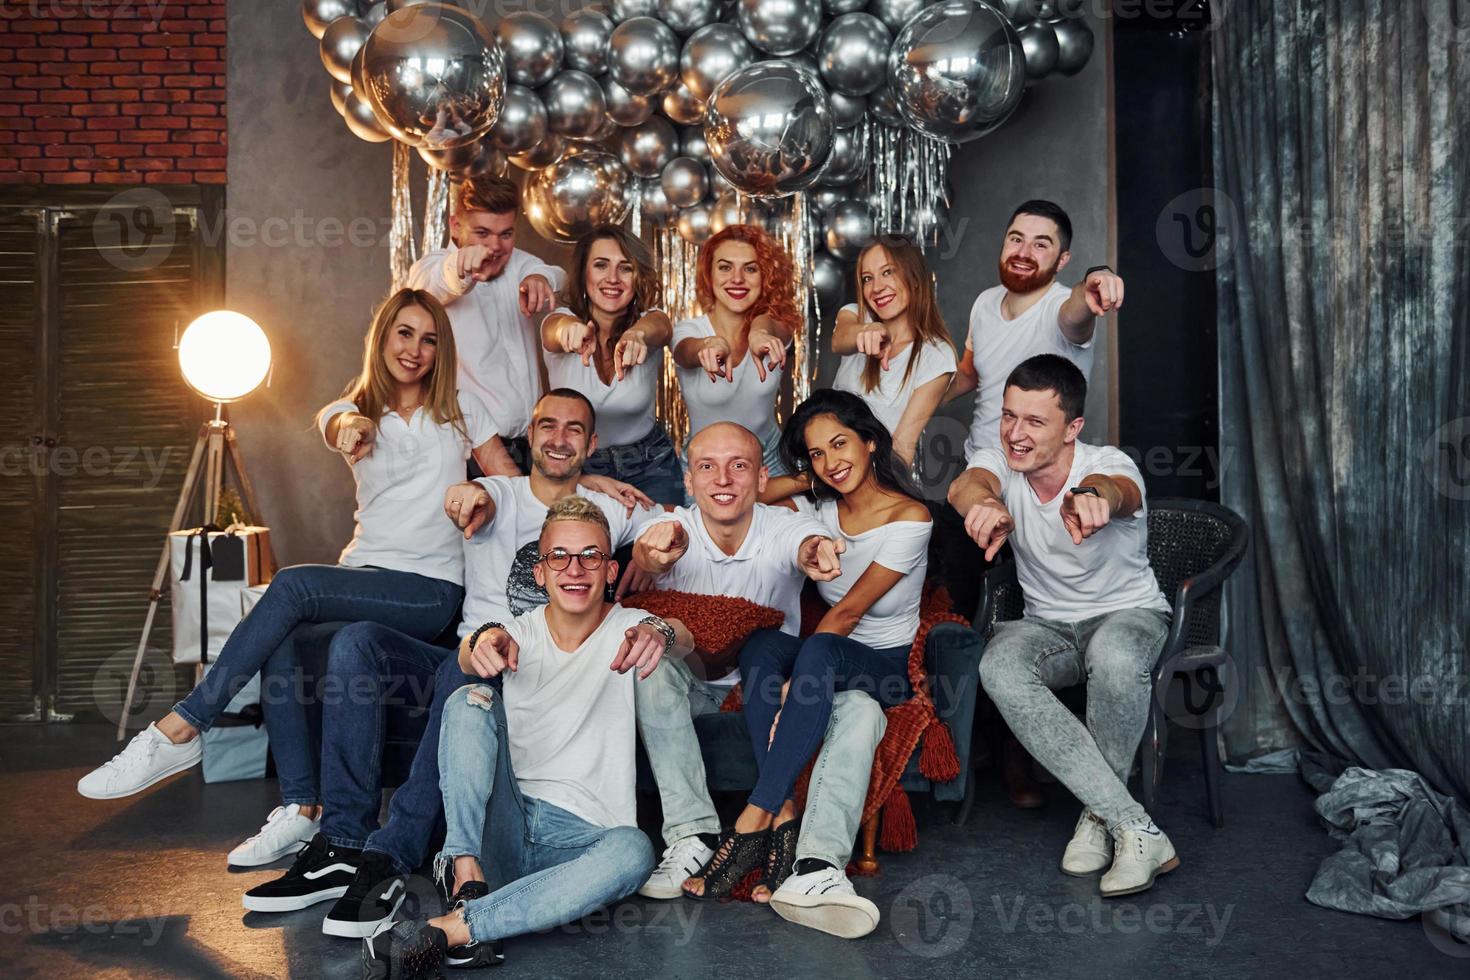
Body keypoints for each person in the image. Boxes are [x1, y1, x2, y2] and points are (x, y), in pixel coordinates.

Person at [76, 289, 497, 862]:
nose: (415, 349)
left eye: (428, 338)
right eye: (404, 333)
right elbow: (337, 422)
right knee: (285, 638)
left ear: (440, 348)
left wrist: (495, 489)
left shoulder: (461, 410)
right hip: (366, 575)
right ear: (384, 337)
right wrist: (352, 426)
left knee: (293, 586)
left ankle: (182, 726)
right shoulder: (351, 409)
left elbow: (514, 481)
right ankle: (302, 808)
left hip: (430, 591)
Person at [237, 389, 655, 936]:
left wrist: (653, 544)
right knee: (359, 642)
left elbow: (672, 526)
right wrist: (466, 496)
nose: (558, 438)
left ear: (592, 443)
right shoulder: (493, 492)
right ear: (528, 435)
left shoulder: (608, 512)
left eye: (574, 429)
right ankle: (341, 844)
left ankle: (389, 857)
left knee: (469, 675)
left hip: (514, 670)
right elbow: (467, 496)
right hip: (464, 651)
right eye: (547, 425)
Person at [363, 496, 680, 977]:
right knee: (467, 700)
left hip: (579, 842)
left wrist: (660, 630)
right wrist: (482, 642)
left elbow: (684, 633)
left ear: (611, 571)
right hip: (502, 828)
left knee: (635, 851)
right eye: (559, 556)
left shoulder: (631, 628)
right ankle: (463, 869)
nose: (575, 569)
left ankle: (452, 929)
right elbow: (473, 652)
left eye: (590, 556)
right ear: (540, 572)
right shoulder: (516, 632)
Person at [629, 421, 888, 936]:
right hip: (701, 690)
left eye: (739, 465)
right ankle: (691, 836)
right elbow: (650, 547)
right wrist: (646, 553)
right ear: (688, 480)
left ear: (762, 479)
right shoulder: (670, 526)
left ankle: (817, 868)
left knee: (864, 707)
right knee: (650, 667)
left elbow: (805, 543)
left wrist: (817, 551)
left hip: (775, 692)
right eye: (707, 466)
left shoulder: (781, 525)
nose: (723, 478)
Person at [689, 390, 930, 918]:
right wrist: (811, 475)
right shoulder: (821, 503)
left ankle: (756, 813)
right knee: (760, 644)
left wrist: (796, 690)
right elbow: (756, 490)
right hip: (828, 658)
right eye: (817, 452)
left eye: (841, 444)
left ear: (871, 443)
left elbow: (845, 617)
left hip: (883, 669)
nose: (831, 461)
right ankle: (786, 819)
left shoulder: (910, 516)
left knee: (820, 643)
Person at [948, 354, 1177, 898]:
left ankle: (1099, 820)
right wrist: (983, 503)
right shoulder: (1001, 459)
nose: (1015, 433)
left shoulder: (1106, 462)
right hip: (1048, 625)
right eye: (1009, 416)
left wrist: (1096, 499)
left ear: (1073, 427)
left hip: (1129, 613)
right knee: (999, 664)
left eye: (1034, 422)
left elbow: (1119, 490)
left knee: (1116, 656)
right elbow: (968, 483)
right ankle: (1131, 824)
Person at [408, 176, 567, 475]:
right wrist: (461, 267)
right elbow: (435, 284)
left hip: (529, 446)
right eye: (482, 233)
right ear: (456, 226)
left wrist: (541, 279)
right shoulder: (431, 267)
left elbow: (556, 273)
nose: (495, 246)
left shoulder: (518, 264)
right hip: (468, 451)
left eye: (505, 234)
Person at [540, 225, 683, 504]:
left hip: (651, 466)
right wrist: (569, 329)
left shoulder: (650, 323)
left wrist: (637, 334)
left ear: (637, 276)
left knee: (664, 542)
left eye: (625, 268)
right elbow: (553, 330)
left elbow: (661, 326)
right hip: (579, 466)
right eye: (601, 265)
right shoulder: (559, 320)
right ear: (584, 273)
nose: (613, 278)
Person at [671, 224, 802, 478]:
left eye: (750, 268)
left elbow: (772, 325)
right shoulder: (689, 330)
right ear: (709, 274)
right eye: (725, 267)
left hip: (769, 461)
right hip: (705, 465)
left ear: (765, 276)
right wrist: (707, 346)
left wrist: (758, 333)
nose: (737, 279)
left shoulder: (776, 328)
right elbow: (685, 352)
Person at [830, 234, 957, 465]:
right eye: (867, 278)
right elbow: (839, 340)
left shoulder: (936, 355)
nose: (877, 287)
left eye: (888, 272)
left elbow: (901, 449)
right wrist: (868, 330)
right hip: (821, 467)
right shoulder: (856, 315)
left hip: (875, 482)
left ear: (915, 277)